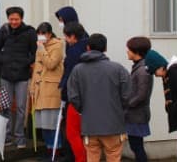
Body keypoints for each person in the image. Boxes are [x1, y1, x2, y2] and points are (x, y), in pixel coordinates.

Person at [67, 33, 131, 162]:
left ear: (88, 47)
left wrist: (83, 110)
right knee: (113, 156)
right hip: (114, 124)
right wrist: (118, 110)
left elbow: (73, 97)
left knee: (92, 156)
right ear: (105, 48)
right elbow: (127, 96)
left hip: (89, 125)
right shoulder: (118, 69)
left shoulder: (78, 70)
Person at [0, 6, 37, 149]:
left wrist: (26, 62)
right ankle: (8, 135)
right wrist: (3, 60)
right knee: (6, 106)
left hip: (22, 76)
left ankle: (20, 137)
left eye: (16, 19)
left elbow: (34, 52)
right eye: (11, 19)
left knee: (21, 107)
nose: (14, 22)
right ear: (8, 19)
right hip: (6, 75)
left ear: (21, 18)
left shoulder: (30, 32)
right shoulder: (4, 31)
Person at [29, 22, 64, 158]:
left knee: (52, 125)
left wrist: (42, 49)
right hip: (39, 90)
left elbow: (51, 64)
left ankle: (56, 151)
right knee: (43, 125)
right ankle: (49, 150)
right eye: (39, 34)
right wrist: (32, 87)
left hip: (51, 90)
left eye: (44, 34)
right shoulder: (40, 46)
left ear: (50, 34)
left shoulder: (58, 45)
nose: (41, 36)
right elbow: (36, 69)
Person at [60, 22, 89, 162]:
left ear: (72, 36)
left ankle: (79, 158)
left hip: (74, 97)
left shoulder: (73, 52)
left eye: (66, 36)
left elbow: (69, 75)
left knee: (72, 133)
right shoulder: (87, 47)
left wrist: (64, 95)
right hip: (88, 95)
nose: (65, 39)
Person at [125, 37, 154, 162]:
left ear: (136, 52)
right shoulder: (139, 67)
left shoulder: (142, 70)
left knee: (137, 146)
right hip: (135, 114)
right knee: (136, 146)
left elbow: (142, 95)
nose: (127, 52)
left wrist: (127, 104)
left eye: (129, 50)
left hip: (137, 115)